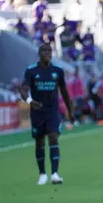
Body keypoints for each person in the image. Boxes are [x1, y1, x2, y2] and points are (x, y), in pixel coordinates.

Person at [21, 44, 74, 185]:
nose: (48, 53)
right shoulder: (31, 71)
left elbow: (64, 92)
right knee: (39, 142)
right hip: (37, 112)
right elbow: (23, 90)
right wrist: (30, 101)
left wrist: (70, 110)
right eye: (45, 51)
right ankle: (42, 174)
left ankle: (55, 174)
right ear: (39, 54)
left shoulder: (57, 71)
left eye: (50, 51)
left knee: (53, 137)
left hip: (52, 111)